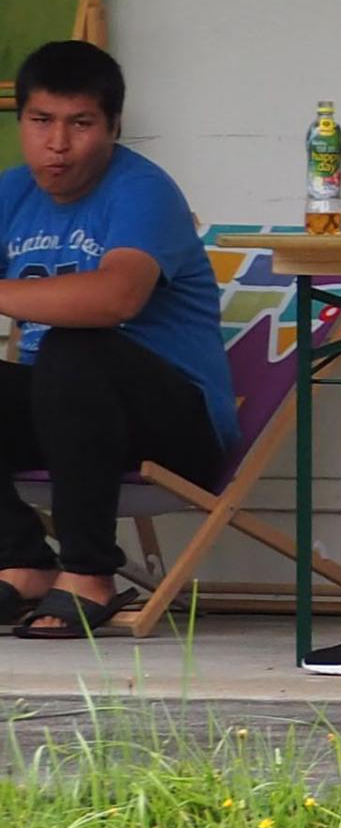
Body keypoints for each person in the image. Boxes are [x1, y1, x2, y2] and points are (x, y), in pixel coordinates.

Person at [0, 41, 231, 639]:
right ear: (20, 122)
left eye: (80, 124)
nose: (57, 143)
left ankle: (89, 573)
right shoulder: (12, 193)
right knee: (62, 363)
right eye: (41, 121)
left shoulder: (142, 190)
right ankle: (21, 558)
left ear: (113, 127)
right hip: (63, 416)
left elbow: (116, 298)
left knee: (75, 346)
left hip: (173, 428)